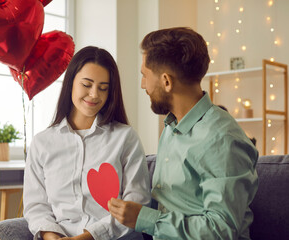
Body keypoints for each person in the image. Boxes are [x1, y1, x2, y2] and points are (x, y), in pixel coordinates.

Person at [108, 27, 258, 239]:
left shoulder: (222, 139)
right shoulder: (172, 126)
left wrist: (144, 218)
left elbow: (221, 230)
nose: (143, 85)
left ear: (166, 81)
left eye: (145, 76)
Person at [23, 46, 151, 240]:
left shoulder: (125, 138)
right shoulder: (42, 143)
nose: (94, 95)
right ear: (71, 83)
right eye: (86, 84)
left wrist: (88, 237)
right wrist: (51, 236)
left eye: (103, 88)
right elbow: (36, 206)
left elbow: (137, 204)